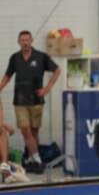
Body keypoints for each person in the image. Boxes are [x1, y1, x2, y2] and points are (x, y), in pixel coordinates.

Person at [0, 30, 60, 174]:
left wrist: (48, 87)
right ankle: (38, 159)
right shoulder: (14, 58)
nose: (25, 43)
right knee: (25, 130)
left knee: (34, 132)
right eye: (22, 40)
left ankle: (31, 159)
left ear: (32, 41)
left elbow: (57, 70)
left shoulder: (41, 57)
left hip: (36, 100)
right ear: (18, 42)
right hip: (20, 101)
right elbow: (7, 76)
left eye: (27, 40)